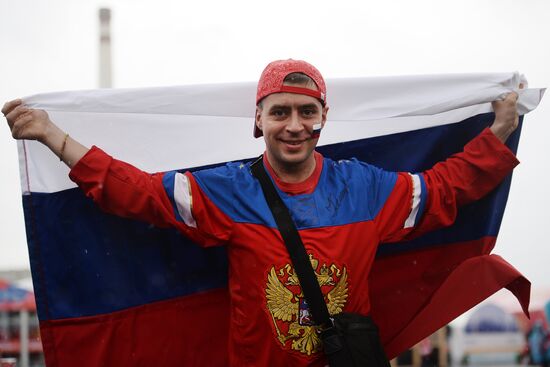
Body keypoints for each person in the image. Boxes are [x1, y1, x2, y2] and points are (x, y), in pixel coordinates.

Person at [3, 59, 520, 366]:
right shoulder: (228, 191)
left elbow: (442, 190)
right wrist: (53, 136)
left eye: (306, 111)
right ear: (259, 120)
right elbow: (135, 192)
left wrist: (497, 132)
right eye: (280, 112)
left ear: (323, 119)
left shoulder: (364, 187)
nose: (293, 125)